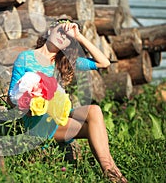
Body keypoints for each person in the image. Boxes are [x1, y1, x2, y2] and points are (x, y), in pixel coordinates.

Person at [7, 18, 128, 183]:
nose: (64, 37)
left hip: (58, 118)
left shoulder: (65, 62)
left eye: (68, 38)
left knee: (95, 110)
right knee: (90, 129)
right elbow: (10, 98)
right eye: (61, 32)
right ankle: (114, 175)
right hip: (36, 122)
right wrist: (28, 102)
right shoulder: (26, 58)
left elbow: (104, 63)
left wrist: (78, 37)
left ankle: (111, 172)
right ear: (50, 31)